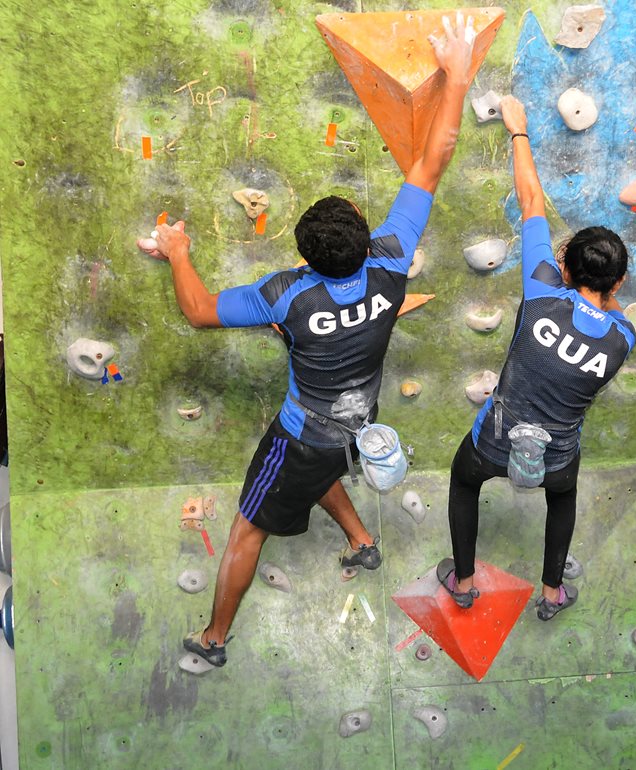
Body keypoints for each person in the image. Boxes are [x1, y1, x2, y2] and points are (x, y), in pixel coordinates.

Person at [136, 14, 480, 667]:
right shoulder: (391, 258)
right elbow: (433, 162)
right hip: (359, 418)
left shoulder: (286, 296)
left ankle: (213, 640)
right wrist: (458, 72)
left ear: (305, 257)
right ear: (362, 236)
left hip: (304, 432)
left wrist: (178, 251)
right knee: (324, 465)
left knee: (246, 528)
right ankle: (360, 539)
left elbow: (201, 312)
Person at [439, 95, 636, 620]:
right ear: (617, 284)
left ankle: (462, 580)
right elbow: (605, 312)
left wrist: (518, 130)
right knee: (562, 497)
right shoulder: (623, 337)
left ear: (564, 268)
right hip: (558, 456)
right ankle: (551, 592)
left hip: (495, 439)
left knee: (463, 482)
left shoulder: (543, 289)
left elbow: (531, 202)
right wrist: (605, 289)